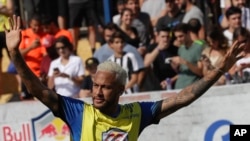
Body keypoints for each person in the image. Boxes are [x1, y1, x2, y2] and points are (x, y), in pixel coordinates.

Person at [5, 15, 246, 141]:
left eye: (105, 88)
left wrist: (220, 69)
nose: (97, 92)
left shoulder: (136, 113)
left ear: (121, 89)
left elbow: (183, 98)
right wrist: (15, 53)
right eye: (95, 85)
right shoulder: (77, 111)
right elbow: (38, 89)